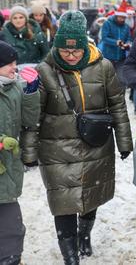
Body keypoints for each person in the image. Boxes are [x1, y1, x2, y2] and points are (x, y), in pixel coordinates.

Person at [27, 11, 133, 264]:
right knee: (63, 200)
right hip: (56, 147)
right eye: (65, 51)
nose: (71, 56)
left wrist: (124, 141)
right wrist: (29, 152)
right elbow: (34, 116)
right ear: (57, 46)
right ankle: (70, 254)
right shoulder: (44, 70)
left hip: (95, 142)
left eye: (75, 51)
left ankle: (84, 234)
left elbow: (118, 104)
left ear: (84, 46)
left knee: (90, 195)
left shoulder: (103, 67)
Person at [0, 41, 40, 265]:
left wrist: (31, 91)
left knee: (11, 223)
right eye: (9, 64)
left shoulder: (13, 86)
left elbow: (29, 120)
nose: (14, 68)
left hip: (8, 168)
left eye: (15, 62)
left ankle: (11, 258)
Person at [100, 1, 132, 79]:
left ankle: (120, 91)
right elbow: (104, 37)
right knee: (108, 78)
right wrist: (116, 42)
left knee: (121, 79)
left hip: (121, 57)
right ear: (116, 16)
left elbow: (129, 38)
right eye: (120, 17)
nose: (122, 19)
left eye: (124, 18)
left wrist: (127, 44)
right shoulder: (107, 23)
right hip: (108, 56)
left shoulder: (126, 27)